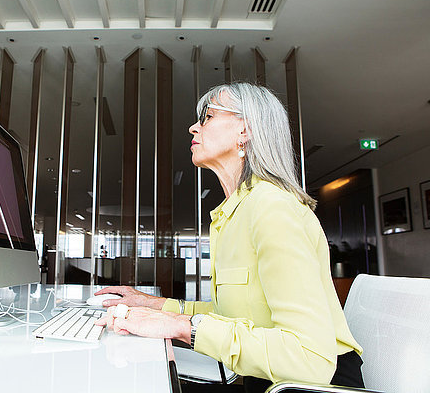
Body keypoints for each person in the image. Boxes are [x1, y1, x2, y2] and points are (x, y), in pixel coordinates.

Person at [94, 83, 364, 393]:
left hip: (313, 386)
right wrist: (151, 305)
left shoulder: (272, 207)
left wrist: (181, 327)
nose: (193, 126)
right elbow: (229, 316)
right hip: (264, 378)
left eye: (207, 116)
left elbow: (309, 358)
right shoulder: (232, 214)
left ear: (245, 131)